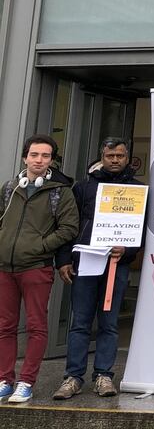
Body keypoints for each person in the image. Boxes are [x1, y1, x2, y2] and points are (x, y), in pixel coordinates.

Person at [52, 137, 143, 400]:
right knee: (79, 323)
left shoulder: (138, 190)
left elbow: (141, 232)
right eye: (110, 156)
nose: (115, 160)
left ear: (127, 158)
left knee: (109, 323)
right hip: (85, 262)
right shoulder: (82, 188)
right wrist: (64, 259)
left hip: (117, 264)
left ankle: (104, 376)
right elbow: (69, 226)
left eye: (120, 156)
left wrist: (128, 251)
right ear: (101, 157)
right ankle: (73, 377)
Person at [0, 134, 79, 403]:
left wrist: (41, 246)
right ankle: (4, 379)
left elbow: (69, 228)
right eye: (34, 155)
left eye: (45, 156)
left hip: (36, 267)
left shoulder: (61, 191)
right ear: (25, 157)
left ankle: (26, 382)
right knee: (5, 326)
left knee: (36, 326)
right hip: (4, 268)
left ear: (52, 160)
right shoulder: (11, 188)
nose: (39, 160)